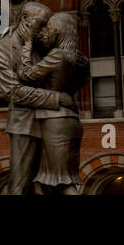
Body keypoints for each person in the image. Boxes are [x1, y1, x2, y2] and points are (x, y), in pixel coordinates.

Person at [0, 1, 75, 194]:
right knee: (20, 185)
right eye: (41, 23)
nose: (46, 29)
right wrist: (57, 99)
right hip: (25, 125)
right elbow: (13, 91)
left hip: (52, 124)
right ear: (25, 20)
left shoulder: (44, 45)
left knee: (53, 183)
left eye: (48, 24)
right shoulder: (1, 49)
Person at [18, 11, 89, 195]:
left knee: (62, 181)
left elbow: (25, 74)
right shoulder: (81, 60)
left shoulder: (57, 56)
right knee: (51, 181)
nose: (45, 34)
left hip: (54, 122)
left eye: (49, 30)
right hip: (70, 121)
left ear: (58, 32)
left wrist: (27, 45)